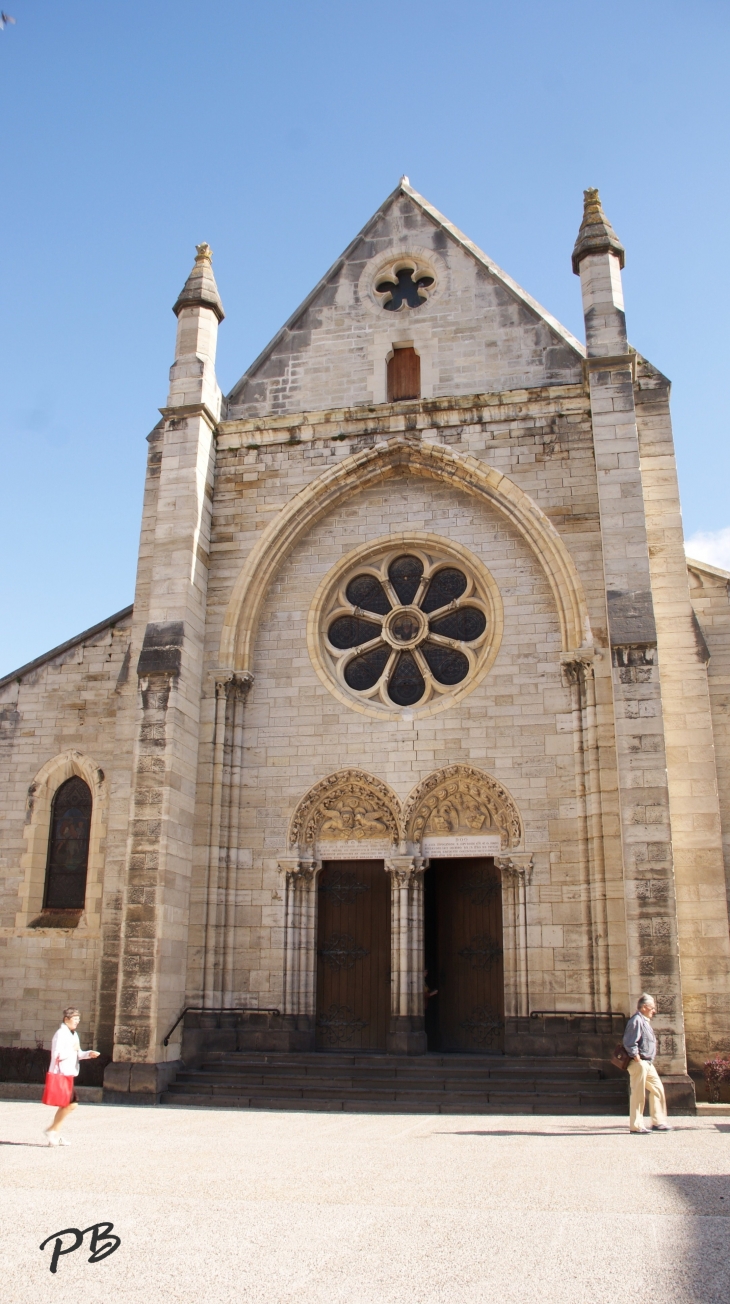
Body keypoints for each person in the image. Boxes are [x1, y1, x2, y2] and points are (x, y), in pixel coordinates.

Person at [42, 1006, 100, 1146]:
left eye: (78, 1019)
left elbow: (77, 1053)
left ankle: (54, 1133)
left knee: (67, 1105)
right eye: (74, 1019)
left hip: (68, 1074)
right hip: (61, 1074)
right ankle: (52, 1131)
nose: (77, 1021)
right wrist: (71, 1050)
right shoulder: (61, 1034)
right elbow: (57, 1055)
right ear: (66, 1019)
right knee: (71, 1104)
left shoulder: (73, 1034)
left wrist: (88, 1054)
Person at [622, 993, 671, 1133]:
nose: (654, 1011)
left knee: (658, 1089)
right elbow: (629, 1042)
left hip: (647, 1063)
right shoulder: (636, 1020)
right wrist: (637, 1058)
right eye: (652, 1008)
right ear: (644, 1007)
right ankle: (636, 1125)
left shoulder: (644, 1021)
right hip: (639, 1062)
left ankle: (658, 1122)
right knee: (638, 1093)